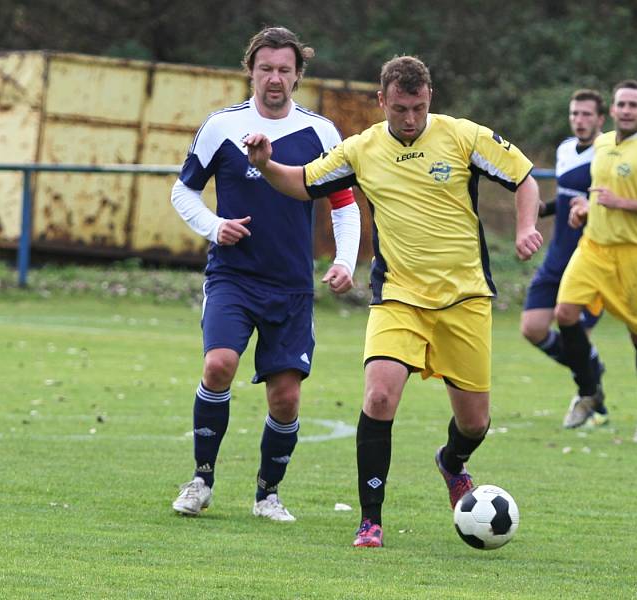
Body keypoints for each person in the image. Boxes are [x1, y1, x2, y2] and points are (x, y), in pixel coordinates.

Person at [244, 55, 543, 547]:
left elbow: (524, 178)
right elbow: (302, 183)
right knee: (379, 397)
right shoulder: (361, 150)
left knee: (475, 422)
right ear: (381, 101)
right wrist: (265, 164)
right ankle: (370, 520)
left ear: (431, 100)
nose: (410, 119)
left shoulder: (464, 136)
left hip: (465, 297)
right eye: (401, 108)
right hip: (398, 296)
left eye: (419, 108)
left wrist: (527, 226)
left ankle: (452, 463)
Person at [169, 27, 361, 520]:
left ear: (298, 74)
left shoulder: (320, 134)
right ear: (250, 71)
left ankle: (266, 494)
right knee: (219, 365)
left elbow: (344, 204)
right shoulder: (221, 127)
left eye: (284, 70)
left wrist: (343, 260)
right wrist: (215, 227)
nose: (274, 79)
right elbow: (183, 191)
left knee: (286, 398)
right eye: (265, 69)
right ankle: (201, 480)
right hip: (233, 277)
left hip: (292, 285)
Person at [555, 79, 637, 442]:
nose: (625, 110)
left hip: (632, 254)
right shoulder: (602, 142)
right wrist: (584, 210)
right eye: (620, 104)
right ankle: (590, 391)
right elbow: (599, 194)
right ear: (612, 110)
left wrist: (620, 204)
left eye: (633, 105)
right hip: (593, 247)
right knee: (564, 314)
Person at [520, 89, 609, 429]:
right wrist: (542, 209)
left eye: (587, 114)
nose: (580, 120)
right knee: (532, 328)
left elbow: (602, 201)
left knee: (573, 329)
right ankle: (590, 367)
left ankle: (587, 392)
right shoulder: (564, 149)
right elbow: (569, 197)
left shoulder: (608, 154)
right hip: (557, 255)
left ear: (601, 119)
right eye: (575, 114)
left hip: (591, 260)